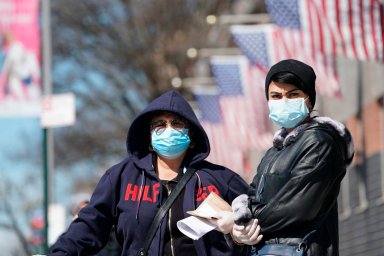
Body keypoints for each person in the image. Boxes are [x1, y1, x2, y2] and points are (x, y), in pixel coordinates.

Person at [49, 90, 249, 255]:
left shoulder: (221, 179)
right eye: (159, 124)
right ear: (150, 139)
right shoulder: (120, 177)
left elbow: (261, 212)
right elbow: (89, 226)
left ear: (192, 136)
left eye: (177, 123)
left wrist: (240, 230)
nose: (168, 129)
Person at [230, 59, 355, 256]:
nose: (284, 101)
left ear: (309, 99)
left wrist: (242, 220)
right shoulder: (274, 151)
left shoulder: (319, 141)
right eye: (276, 96)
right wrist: (239, 225)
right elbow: (254, 194)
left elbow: (296, 208)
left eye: (293, 94)